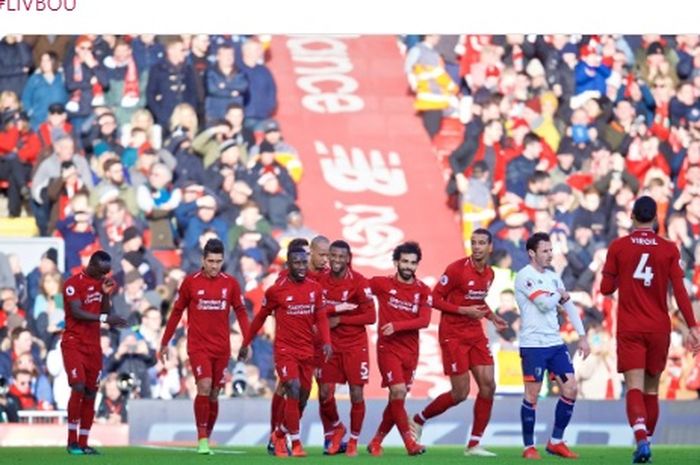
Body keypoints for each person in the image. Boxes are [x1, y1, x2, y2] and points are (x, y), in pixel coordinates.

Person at [600, 196, 700, 463]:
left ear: (632, 216)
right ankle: (646, 444)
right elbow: (679, 290)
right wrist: (692, 326)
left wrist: (621, 272)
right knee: (652, 389)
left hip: (630, 327)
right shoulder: (669, 249)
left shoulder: (619, 247)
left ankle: (641, 440)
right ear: (656, 219)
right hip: (658, 327)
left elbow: (605, 289)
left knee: (633, 387)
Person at [409, 229, 507, 456]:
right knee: (460, 393)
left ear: (490, 247)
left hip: (475, 333)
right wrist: (462, 310)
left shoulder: (490, 274)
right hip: (453, 335)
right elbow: (433, 298)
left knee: (489, 386)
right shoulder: (456, 269)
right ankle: (418, 419)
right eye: (474, 243)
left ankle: (474, 444)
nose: (477, 247)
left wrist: (491, 316)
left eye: (482, 243)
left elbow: (478, 299)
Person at [238, 245, 332, 458]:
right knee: (293, 386)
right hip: (285, 350)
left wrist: (326, 341)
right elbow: (261, 317)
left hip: (307, 351)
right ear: (288, 265)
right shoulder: (276, 291)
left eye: (303, 263)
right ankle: (296, 444)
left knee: (303, 397)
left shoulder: (314, 289)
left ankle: (280, 433)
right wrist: (246, 343)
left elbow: (321, 317)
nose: (301, 267)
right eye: (296, 263)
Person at [159, 238, 250, 455]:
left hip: (222, 348)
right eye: (211, 261)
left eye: (218, 261)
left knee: (215, 394)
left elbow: (241, 312)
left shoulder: (230, 284)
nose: (214, 266)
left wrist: (247, 340)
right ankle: (201, 439)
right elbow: (176, 313)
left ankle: (207, 436)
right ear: (203, 260)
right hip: (198, 346)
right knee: (205, 386)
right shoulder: (191, 282)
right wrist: (165, 341)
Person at [514, 232, 590, 459]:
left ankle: (556, 441)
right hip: (533, 345)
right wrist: (559, 294)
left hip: (555, 344)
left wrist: (582, 335)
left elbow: (569, 307)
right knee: (532, 394)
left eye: (550, 250)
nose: (550, 254)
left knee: (571, 388)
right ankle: (529, 446)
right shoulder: (524, 276)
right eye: (545, 251)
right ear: (532, 253)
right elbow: (546, 304)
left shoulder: (553, 277)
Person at [366, 242, 431, 456]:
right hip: (388, 348)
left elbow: (424, 321)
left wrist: (397, 325)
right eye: (405, 261)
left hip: (411, 352)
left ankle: (376, 441)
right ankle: (410, 444)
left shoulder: (423, 290)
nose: (408, 266)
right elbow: (357, 288)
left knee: (397, 399)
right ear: (396, 262)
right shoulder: (381, 284)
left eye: (413, 263)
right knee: (398, 391)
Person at [61, 250, 127, 455]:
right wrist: (105, 320)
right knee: (78, 386)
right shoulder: (72, 283)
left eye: (106, 273)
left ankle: (83, 442)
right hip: (74, 343)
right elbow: (77, 312)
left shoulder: (101, 284)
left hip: (93, 346)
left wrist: (106, 295)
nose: (103, 276)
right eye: (101, 272)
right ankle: (71, 441)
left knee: (91, 392)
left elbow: (104, 311)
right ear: (92, 265)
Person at [316, 240, 375, 456]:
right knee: (323, 393)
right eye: (334, 256)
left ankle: (353, 440)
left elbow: (371, 316)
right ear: (328, 257)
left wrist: (340, 320)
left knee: (356, 393)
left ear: (348, 258)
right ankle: (338, 426)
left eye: (342, 257)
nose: (337, 260)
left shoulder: (359, 282)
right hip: (330, 344)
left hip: (354, 345)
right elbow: (316, 310)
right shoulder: (320, 280)